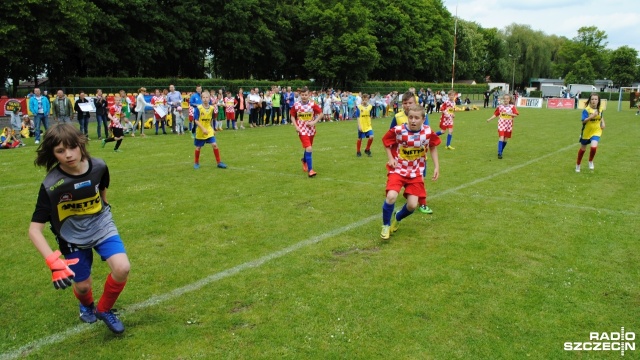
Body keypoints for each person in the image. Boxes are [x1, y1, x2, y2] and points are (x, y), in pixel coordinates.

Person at [28, 124, 130, 334]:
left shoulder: (99, 166)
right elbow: (34, 230)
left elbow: (101, 188)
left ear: (81, 144)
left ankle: (104, 309)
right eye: (60, 151)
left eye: (72, 147)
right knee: (83, 286)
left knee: (122, 268)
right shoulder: (51, 186)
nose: (68, 155)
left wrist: (104, 206)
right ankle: (86, 304)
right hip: (71, 237)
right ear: (53, 154)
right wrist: (54, 262)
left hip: (102, 225)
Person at [380, 105, 440, 240]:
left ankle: (398, 217)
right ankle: (385, 225)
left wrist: (436, 166)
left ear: (423, 119)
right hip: (398, 170)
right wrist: (390, 158)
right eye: (410, 117)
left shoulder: (427, 132)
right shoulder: (399, 130)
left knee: (412, 205)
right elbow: (385, 141)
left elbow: (433, 146)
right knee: (391, 196)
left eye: (416, 118)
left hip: (416, 173)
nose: (413, 120)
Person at [291, 87, 322, 177]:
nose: (304, 96)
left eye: (306, 95)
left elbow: (321, 114)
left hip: (311, 130)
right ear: (300, 95)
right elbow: (292, 116)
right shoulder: (296, 105)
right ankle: (310, 170)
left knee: (308, 148)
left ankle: (304, 160)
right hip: (301, 130)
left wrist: (314, 122)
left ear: (309, 95)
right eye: (302, 95)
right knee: (309, 148)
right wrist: (296, 126)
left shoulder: (312, 104)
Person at [193, 91, 227, 170]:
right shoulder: (198, 108)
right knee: (198, 147)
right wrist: (203, 128)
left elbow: (211, 119)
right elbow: (196, 121)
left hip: (208, 129)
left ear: (209, 98)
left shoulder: (212, 108)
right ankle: (196, 162)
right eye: (203, 97)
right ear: (201, 99)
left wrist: (212, 128)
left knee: (214, 144)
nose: (205, 99)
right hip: (200, 130)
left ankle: (219, 162)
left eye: (207, 97)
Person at [575, 93, 605, 172]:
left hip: (597, 130)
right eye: (592, 99)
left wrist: (603, 122)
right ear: (590, 100)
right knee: (583, 149)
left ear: (598, 101)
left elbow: (601, 116)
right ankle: (578, 164)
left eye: (596, 99)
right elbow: (583, 121)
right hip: (586, 132)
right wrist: (591, 116)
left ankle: (590, 161)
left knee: (593, 147)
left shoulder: (600, 109)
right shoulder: (586, 110)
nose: (594, 101)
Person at [486, 94, 519, 159]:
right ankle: (499, 153)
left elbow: (516, 115)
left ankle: (501, 150)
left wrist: (509, 114)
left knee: (505, 139)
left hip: (509, 124)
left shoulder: (512, 107)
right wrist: (489, 119)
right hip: (501, 124)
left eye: (507, 99)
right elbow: (496, 114)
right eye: (505, 99)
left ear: (509, 100)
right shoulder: (500, 107)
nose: (506, 100)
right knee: (501, 137)